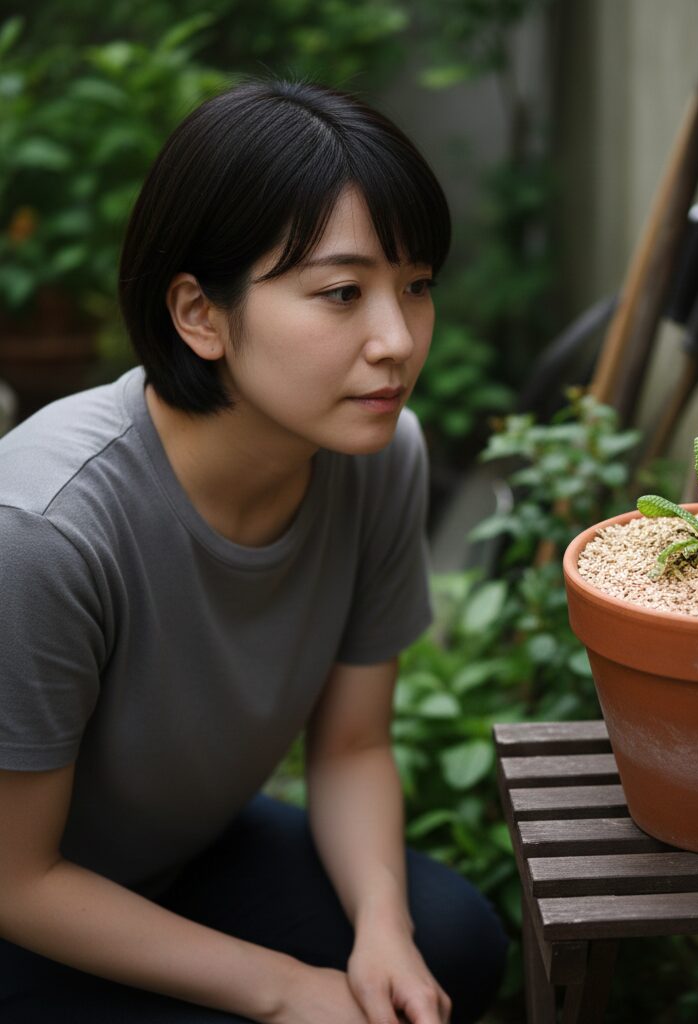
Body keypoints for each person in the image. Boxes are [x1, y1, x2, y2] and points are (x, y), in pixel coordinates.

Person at [0, 77, 509, 1024]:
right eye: (343, 293)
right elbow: (16, 878)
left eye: (416, 286)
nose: (397, 340)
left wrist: (383, 932)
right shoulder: (44, 528)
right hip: (27, 911)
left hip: (178, 859)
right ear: (200, 314)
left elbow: (352, 745)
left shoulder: (378, 456)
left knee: (450, 947)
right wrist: (283, 992)